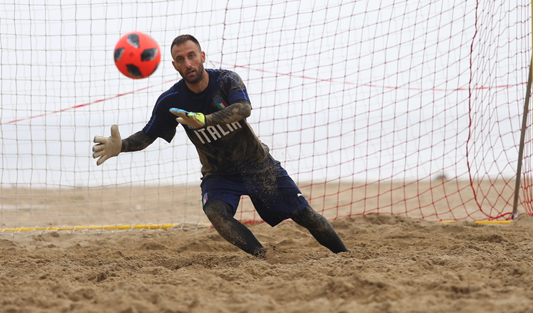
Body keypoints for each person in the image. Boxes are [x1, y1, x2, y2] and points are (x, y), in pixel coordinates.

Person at [92, 34, 347, 258]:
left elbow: (243, 109)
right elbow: (148, 135)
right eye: (180, 59)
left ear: (202, 56)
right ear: (174, 65)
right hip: (218, 175)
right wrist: (121, 146)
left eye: (191, 56)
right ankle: (263, 256)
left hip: (258, 165)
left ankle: (345, 256)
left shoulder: (226, 80)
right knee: (216, 213)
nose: (188, 63)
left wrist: (206, 120)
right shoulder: (170, 100)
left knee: (306, 216)